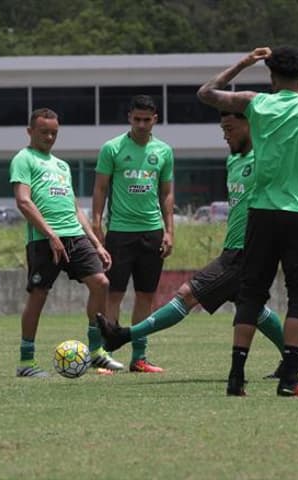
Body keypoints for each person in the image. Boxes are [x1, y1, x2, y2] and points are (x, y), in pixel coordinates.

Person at [96, 112, 298, 378]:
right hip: (232, 246)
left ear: (248, 127)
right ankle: (294, 358)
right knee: (252, 308)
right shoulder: (233, 159)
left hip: (248, 249)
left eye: (230, 129)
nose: (225, 135)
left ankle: (123, 336)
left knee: (187, 295)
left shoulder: (267, 155)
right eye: (222, 129)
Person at [196, 46, 298, 398]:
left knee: (252, 294)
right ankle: (290, 378)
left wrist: (243, 62)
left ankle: (236, 377)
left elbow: (206, 92)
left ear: (271, 78)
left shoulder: (256, 103)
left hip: (260, 213)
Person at [11, 107, 121, 378]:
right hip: (43, 240)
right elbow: (23, 201)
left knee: (102, 283)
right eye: (44, 132)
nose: (49, 137)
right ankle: (26, 362)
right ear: (30, 132)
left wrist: (96, 242)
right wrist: (51, 235)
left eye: (54, 133)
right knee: (39, 296)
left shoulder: (62, 166)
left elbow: (75, 207)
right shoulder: (24, 159)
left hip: (75, 236)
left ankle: (96, 352)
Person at [92, 95, 174, 373]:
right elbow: (100, 188)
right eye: (136, 119)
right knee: (113, 295)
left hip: (152, 233)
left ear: (155, 120)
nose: (141, 124)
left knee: (145, 296)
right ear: (129, 118)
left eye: (146, 120)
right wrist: (96, 225)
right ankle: (105, 355)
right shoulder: (112, 148)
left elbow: (166, 193)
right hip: (120, 233)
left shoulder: (163, 151)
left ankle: (139, 357)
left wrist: (169, 231)